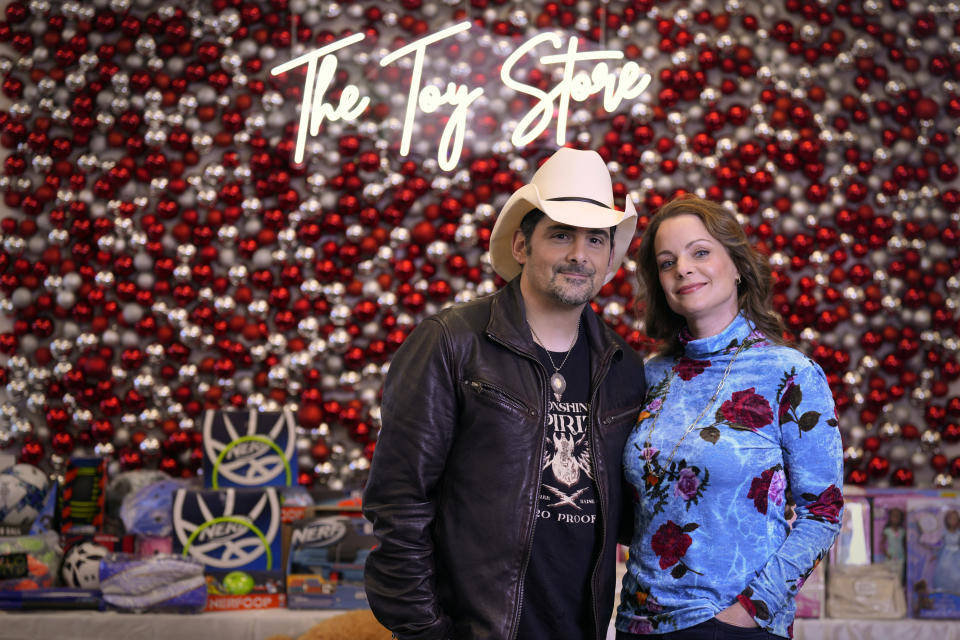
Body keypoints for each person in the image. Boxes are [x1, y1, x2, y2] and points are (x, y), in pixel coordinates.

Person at [363, 147, 647, 640]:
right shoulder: (452, 342)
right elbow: (398, 503)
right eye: (561, 235)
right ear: (521, 246)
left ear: (608, 257)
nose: (580, 254)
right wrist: (425, 630)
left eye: (596, 239)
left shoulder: (622, 366)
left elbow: (629, 512)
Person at [616, 195, 843, 639]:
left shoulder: (789, 373)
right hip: (639, 622)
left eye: (700, 251)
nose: (683, 268)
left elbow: (824, 512)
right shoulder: (651, 376)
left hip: (734, 624)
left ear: (737, 266)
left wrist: (748, 612)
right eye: (667, 262)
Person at [933, 508, 960, 595]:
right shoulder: (944, 532)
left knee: (956, 575)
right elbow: (940, 545)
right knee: (943, 572)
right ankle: (943, 591)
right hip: (946, 556)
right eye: (950, 518)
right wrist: (935, 554)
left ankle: (956, 592)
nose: (952, 521)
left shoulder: (958, 533)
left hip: (957, 557)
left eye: (955, 518)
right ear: (946, 520)